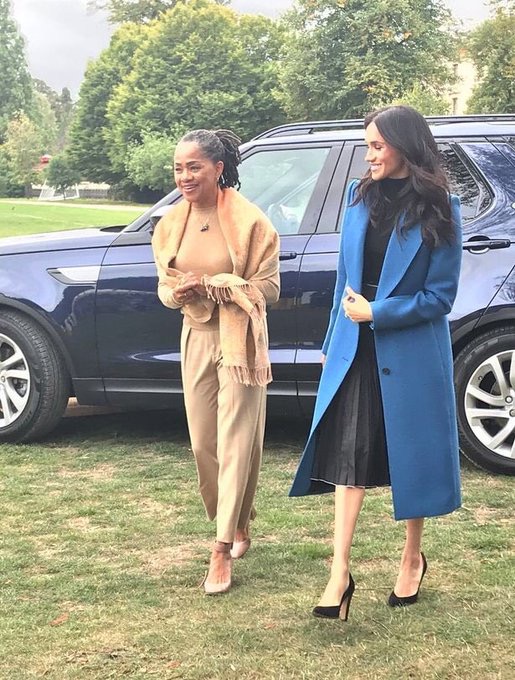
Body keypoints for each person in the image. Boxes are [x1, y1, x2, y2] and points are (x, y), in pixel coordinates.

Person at [290, 105, 462, 620]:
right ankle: (338, 572)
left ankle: (412, 558)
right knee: (350, 453)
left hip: (410, 349)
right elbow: (344, 278)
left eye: (377, 146)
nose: (368, 156)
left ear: (405, 148)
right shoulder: (357, 196)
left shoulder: (441, 208)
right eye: (367, 145)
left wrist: (378, 312)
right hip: (354, 344)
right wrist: (332, 341)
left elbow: (440, 298)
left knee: (411, 456)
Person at [152, 129, 280, 595]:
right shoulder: (170, 223)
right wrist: (179, 293)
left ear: (218, 168)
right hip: (197, 337)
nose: (184, 177)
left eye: (194, 167)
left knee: (237, 440)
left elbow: (269, 289)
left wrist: (220, 284)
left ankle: (222, 547)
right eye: (178, 169)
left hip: (240, 341)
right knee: (204, 443)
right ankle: (240, 520)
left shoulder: (251, 221)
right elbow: (164, 287)